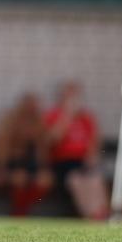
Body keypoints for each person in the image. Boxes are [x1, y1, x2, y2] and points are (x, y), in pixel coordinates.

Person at [45, 81, 109, 220]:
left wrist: (92, 158)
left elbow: (94, 143)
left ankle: (101, 214)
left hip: (83, 162)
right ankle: (91, 216)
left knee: (95, 180)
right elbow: (52, 140)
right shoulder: (53, 115)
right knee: (77, 181)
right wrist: (67, 117)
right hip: (63, 163)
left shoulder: (86, 118)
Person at [0, 92, 53, 216]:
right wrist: (0, 168)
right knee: (19, 179)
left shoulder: (40, 122)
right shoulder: (10, 121)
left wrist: (44, 167)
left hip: (33, 163)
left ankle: (24, 210)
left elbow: (43, 148)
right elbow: (1, 146)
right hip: (13, 162)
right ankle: (18, 213)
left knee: (45, 180)